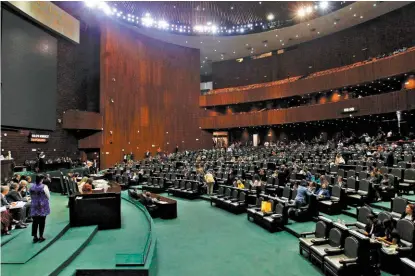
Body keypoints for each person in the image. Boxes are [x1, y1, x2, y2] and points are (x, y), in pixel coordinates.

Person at [30, 174, 50, 243]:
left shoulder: (31, 186)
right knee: (42, 221)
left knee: (35, 221)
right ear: (42, 179)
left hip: (34, 204)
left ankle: (35, 236)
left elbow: (31, 195)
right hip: (42, 205)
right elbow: (48, 196)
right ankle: (41, 236)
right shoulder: (44, 186)